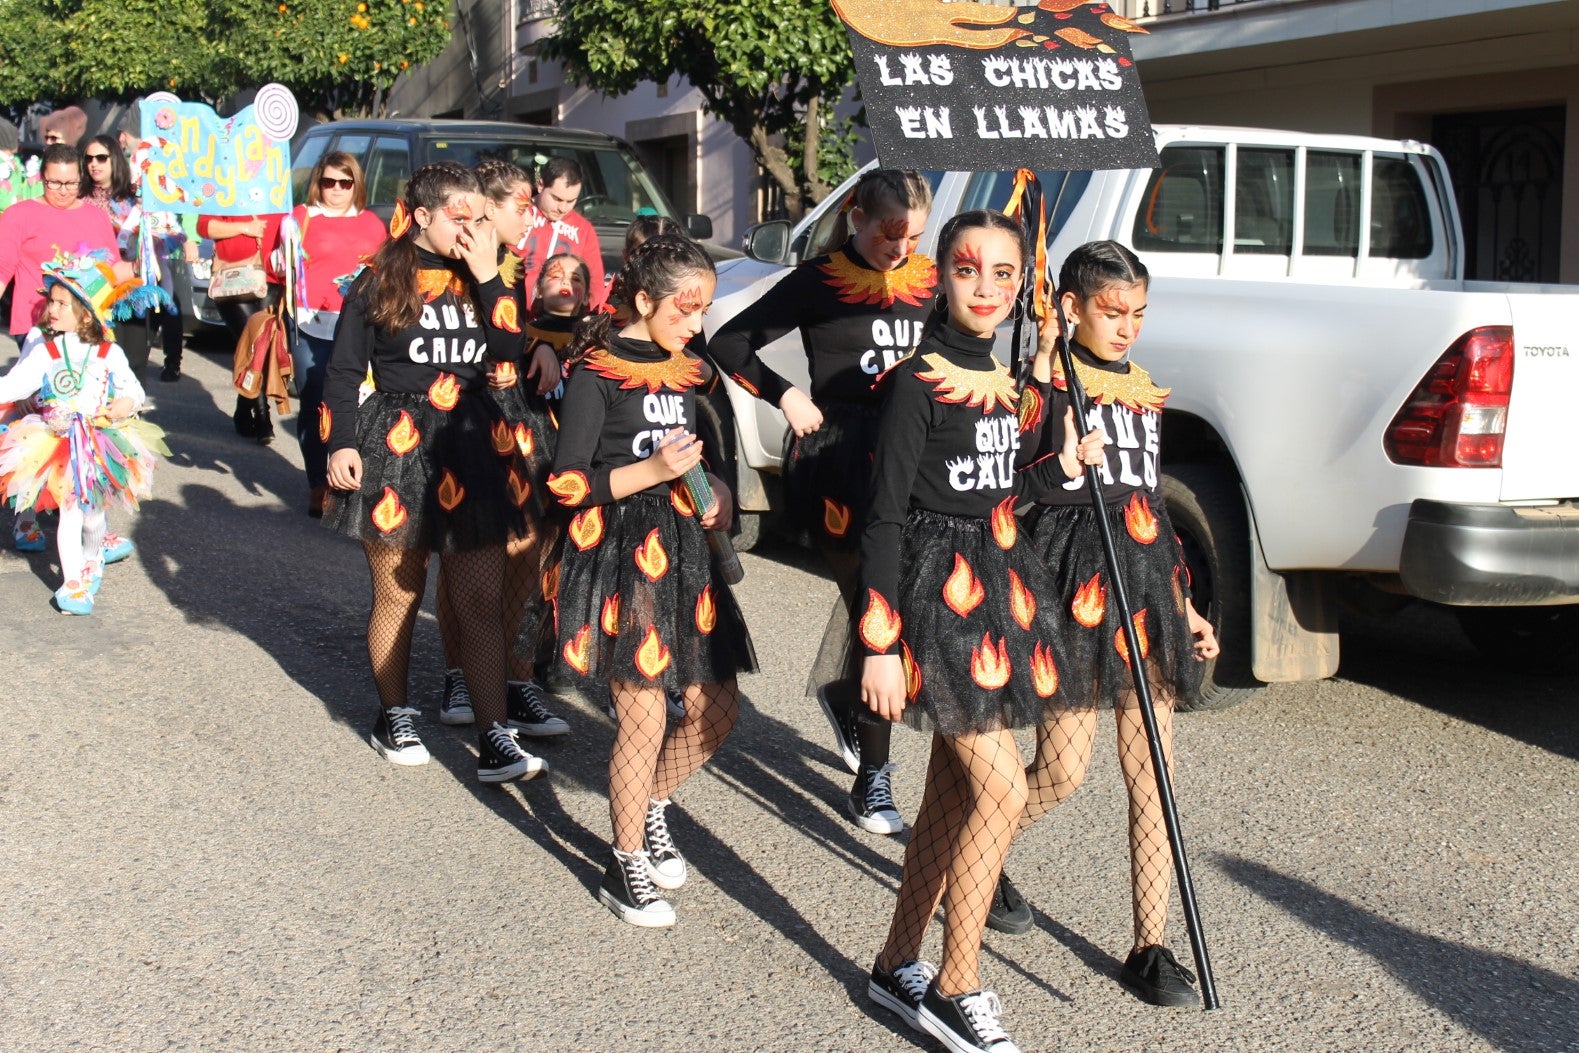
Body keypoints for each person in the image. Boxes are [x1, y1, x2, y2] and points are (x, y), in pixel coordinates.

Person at [860, 210, 1104, 1053]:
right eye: (971, 271)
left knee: (953, 795)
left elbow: (1000, 488)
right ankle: (956, 986)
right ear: (941, 276)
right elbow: (883, 519)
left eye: (1005, 275)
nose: (990, 289)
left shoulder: (1009, 385)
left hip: (1000, 589)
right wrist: (880, 642)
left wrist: (1057, 467)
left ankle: (896, 965)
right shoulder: (915, 382)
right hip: (933, 597)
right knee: (1000, 790)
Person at [991, 240, 1220, 1007]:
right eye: (1111, 312)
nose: (1126, 328)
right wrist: (1060, 462)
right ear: (1072, 307)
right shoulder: (1046, 385)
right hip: (1071, 590)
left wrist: (1185, 606)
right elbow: (1006, 493)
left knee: (1153, 770)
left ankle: (1148, 945)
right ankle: (976, 854)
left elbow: (1149, 510)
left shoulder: (1142, 391)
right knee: (1060, 771)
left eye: (1138, 314)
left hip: (1145, 592)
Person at [708, 168, 936, 835]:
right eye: (889, 234)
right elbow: (726, 341)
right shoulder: (818, 279)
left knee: (897, 600)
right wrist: (784, 393)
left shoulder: (929, 280)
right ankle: (874, 777)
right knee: (877, 604)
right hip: (839, 458)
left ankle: (844, 694)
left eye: (914, 237)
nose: (900, 250)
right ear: (858, 217)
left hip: (911, 455)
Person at [547, 234, 755, 928]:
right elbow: (569, 483)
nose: (696, 325)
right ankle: (623, 857)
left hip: (687, 553)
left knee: (714, 710)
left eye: (702, 310)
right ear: (643, 300)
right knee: (644, 712)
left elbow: (717, 462)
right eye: (685, 309)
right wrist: (652, 473)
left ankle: (653, 802)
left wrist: (719, 488)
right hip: (617, 551)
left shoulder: (692, 372)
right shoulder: (593, 373)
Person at [322, 161, 545, 785]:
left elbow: (507, 350)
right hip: (397, 445)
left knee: (478, 595)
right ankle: (394, 713)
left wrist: (484, 275)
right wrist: (340, 444)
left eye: (480, 217)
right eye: (460, 217)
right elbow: (341, 372)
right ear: (422, 217)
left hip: (471, 442)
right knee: (400, 592)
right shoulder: (378, 279)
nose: (474, 228)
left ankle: (493, 734)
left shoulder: (488, 277)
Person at [431, 158, 570, 741]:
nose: (533, 217)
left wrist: (539, 342)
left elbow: (511, 325)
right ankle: (460, 673)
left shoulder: (510, 263)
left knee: (528, 546)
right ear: (485, 208)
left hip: (517, 414)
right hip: (462, 415)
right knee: (465, 546)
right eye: (522, 205)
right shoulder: (445, 261)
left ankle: (516, 680)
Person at [0, 250, 168, 614]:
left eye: (63, 303)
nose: (53, 309)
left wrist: (126, 403)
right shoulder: (46, 351)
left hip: (99, 442)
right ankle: (73, 583)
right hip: (55, 443)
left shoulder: (109, 353)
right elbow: (13, 386)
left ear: (86, 314)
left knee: (93, 518)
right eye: (52, 302)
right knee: (71, 511)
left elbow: (134, 389)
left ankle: (92, 560)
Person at [267, 151, 386, 516]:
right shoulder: (301, 217)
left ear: (357, 185)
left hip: (357, 325)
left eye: (344, 182)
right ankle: (319, 482)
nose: (335, 189)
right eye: (328, 181)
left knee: (358, 401)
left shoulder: (372, 224)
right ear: (318, 182)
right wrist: (281, 255)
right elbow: (275, 268)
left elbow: (386, 273)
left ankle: (353, 478)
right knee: (317, 400)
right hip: (308, 322)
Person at [81, 133, 190, 383]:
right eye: (88, 159)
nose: (93, 164)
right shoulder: (80, 200)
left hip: (136, 291)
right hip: (97, 289)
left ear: (115, 160)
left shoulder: (137, 198)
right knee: (97, 361)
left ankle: (130, 411)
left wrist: (155, 240)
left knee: (133, 362)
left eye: (100, 157)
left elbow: (171, 235)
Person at [197, 211, 287, 443]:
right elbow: (205, 227)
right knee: (256, 344)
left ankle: (243, 409)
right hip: (233, 279)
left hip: (273, 279)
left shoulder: (276, 186)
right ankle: (263, 416)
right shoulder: (228, 188)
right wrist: (246, 228)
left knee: (263, 348)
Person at [519, 156, 606, 310]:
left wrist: (586, 318)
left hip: (561, 321)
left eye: (571, 201)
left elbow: (595, 283)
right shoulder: (518, 213)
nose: (563, 208)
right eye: (557, 199)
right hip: (510, 313)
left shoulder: (583, 229)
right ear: (540, 185)